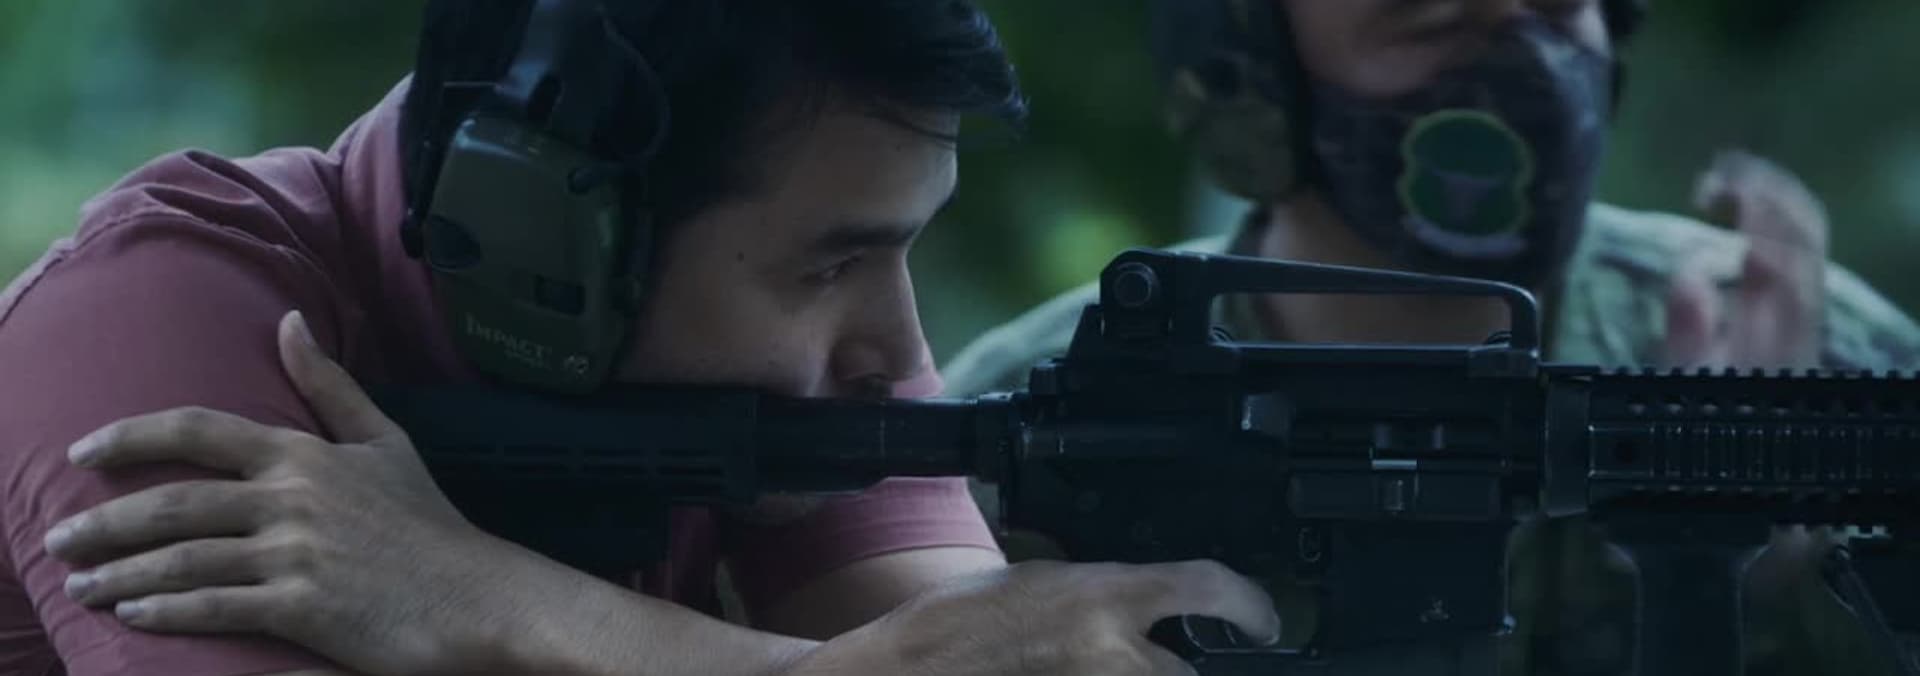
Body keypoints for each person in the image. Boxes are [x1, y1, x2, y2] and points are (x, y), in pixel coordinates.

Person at [0, 1, 1279, 675]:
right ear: (550, 241)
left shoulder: (809, 380)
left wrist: (497, 604)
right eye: (831, 263)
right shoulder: (146, 322)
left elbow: (950, 662)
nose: (894, 347)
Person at [941, 1, 1920, 675]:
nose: (1520, 70)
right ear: (1250, 75)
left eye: (1556, 14)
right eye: (1428, 20)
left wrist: (1775, 563)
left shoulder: (1836, 371)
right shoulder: (1027, 424)